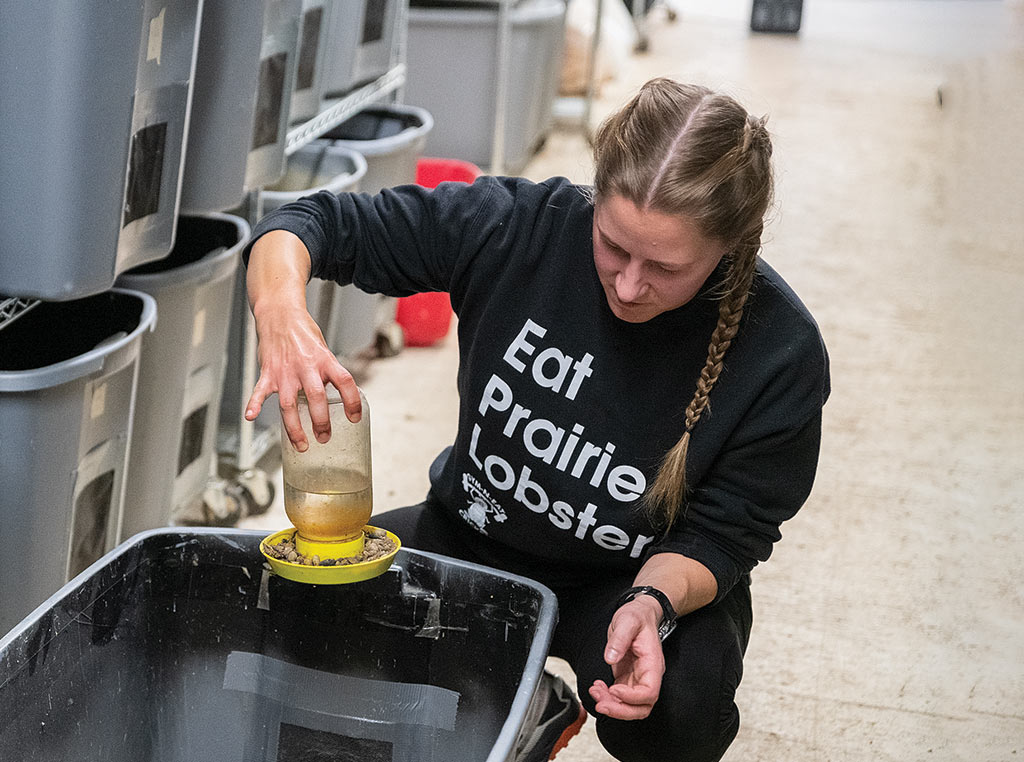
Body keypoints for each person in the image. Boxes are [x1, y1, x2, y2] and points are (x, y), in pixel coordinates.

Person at [242, 78, 830, 762]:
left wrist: (651, 604)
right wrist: (282, 314)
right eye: (613, 246)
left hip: (625, 580)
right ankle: (527, 715)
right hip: (472, 535)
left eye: (666, 267)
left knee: (678, 702)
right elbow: (309, 224)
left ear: (727, 248)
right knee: (288, 612)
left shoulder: (779, 350)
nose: (630, 286)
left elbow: (729, 535)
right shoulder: (519, 227)